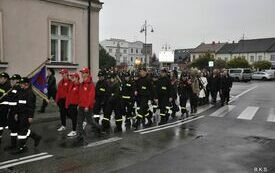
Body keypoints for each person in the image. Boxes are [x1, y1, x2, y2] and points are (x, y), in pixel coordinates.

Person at [14, 77, 41, 154]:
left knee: (22, 131)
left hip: (26, 115)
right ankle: (36, 137)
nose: (20, 85)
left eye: (22, 84)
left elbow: (31, 106)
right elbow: (18, 103)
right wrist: (16, 113)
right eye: (20, 84)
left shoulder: (30, 93)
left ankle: (21, 147)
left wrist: (30, 116)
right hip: (20, 114)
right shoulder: (21, 91)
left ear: (27, 84)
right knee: (22, 129)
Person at [76, 67, 101, 143]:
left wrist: (87, 106)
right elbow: (80, 95)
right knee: (79, 121)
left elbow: (91, 96)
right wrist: (78, 104)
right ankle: (80, 135)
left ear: (87, 74)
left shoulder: (90, 84)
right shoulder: (82, 84)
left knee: (90, 121)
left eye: (84, 73)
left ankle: (98, 127)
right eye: (82, 73)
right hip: (81, 106)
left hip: (87, 107)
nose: (82, 75)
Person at [4, 74, 21, 150]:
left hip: (15, 112)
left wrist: (6, 96)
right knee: (13, 128)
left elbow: (14, 102)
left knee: (17, 128)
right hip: (11, 111)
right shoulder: (13, 88)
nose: (11, 81)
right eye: (11, 80)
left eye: (13, 80)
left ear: (17, 81)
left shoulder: (18, 89)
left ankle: (35, 136)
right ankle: (13, 144)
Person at [65, 72, 80, 137]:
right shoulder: (71, 85)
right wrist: (67, 103)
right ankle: (81, 123)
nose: (71, 78)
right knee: (70, 115)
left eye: (73, 77)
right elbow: (69, 95)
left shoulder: (79, 85)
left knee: (74, 118)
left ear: (77, 78)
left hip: (76, 105)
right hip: (70, 104)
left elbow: (81, 96)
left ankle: (74, 131)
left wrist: (79, 104)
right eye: (71, 77)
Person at [0, 72, 11, 144]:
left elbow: (9, 99)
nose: (0, 79)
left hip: (5, 109)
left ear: (6, 79)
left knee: (14, 127)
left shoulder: (9, 87)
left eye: (1, 78)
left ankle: (33, 136)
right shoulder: (0, 85)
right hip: (1, 108)